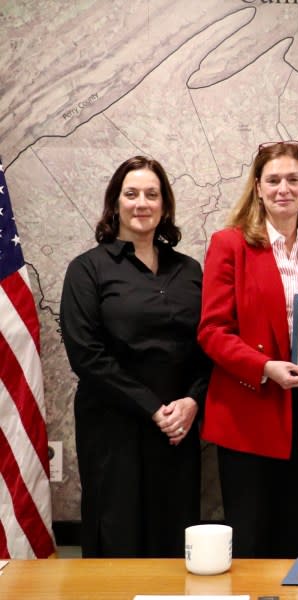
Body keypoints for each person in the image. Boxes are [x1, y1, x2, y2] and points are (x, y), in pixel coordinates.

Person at [198, 140, 298, 558]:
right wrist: (264, 366)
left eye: (293, 179)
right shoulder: (229, 244)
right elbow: (212, 330)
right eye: (274, 180)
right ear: (258, 187)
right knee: (248, 542)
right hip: (247, 412)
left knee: (289, 540)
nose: (284, 188)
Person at [60, 156, 209, 557]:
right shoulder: (87, 270)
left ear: (164, 206)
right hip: (113, 429)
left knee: (175, 536)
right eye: (131, 194)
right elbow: (85, 355)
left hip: (178, 428)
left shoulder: (190, 270)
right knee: (118, 534)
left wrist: (193, 400)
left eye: (151, 194)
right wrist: (152, 409)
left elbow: (207, 346)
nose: (141, 203)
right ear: (115, 204)